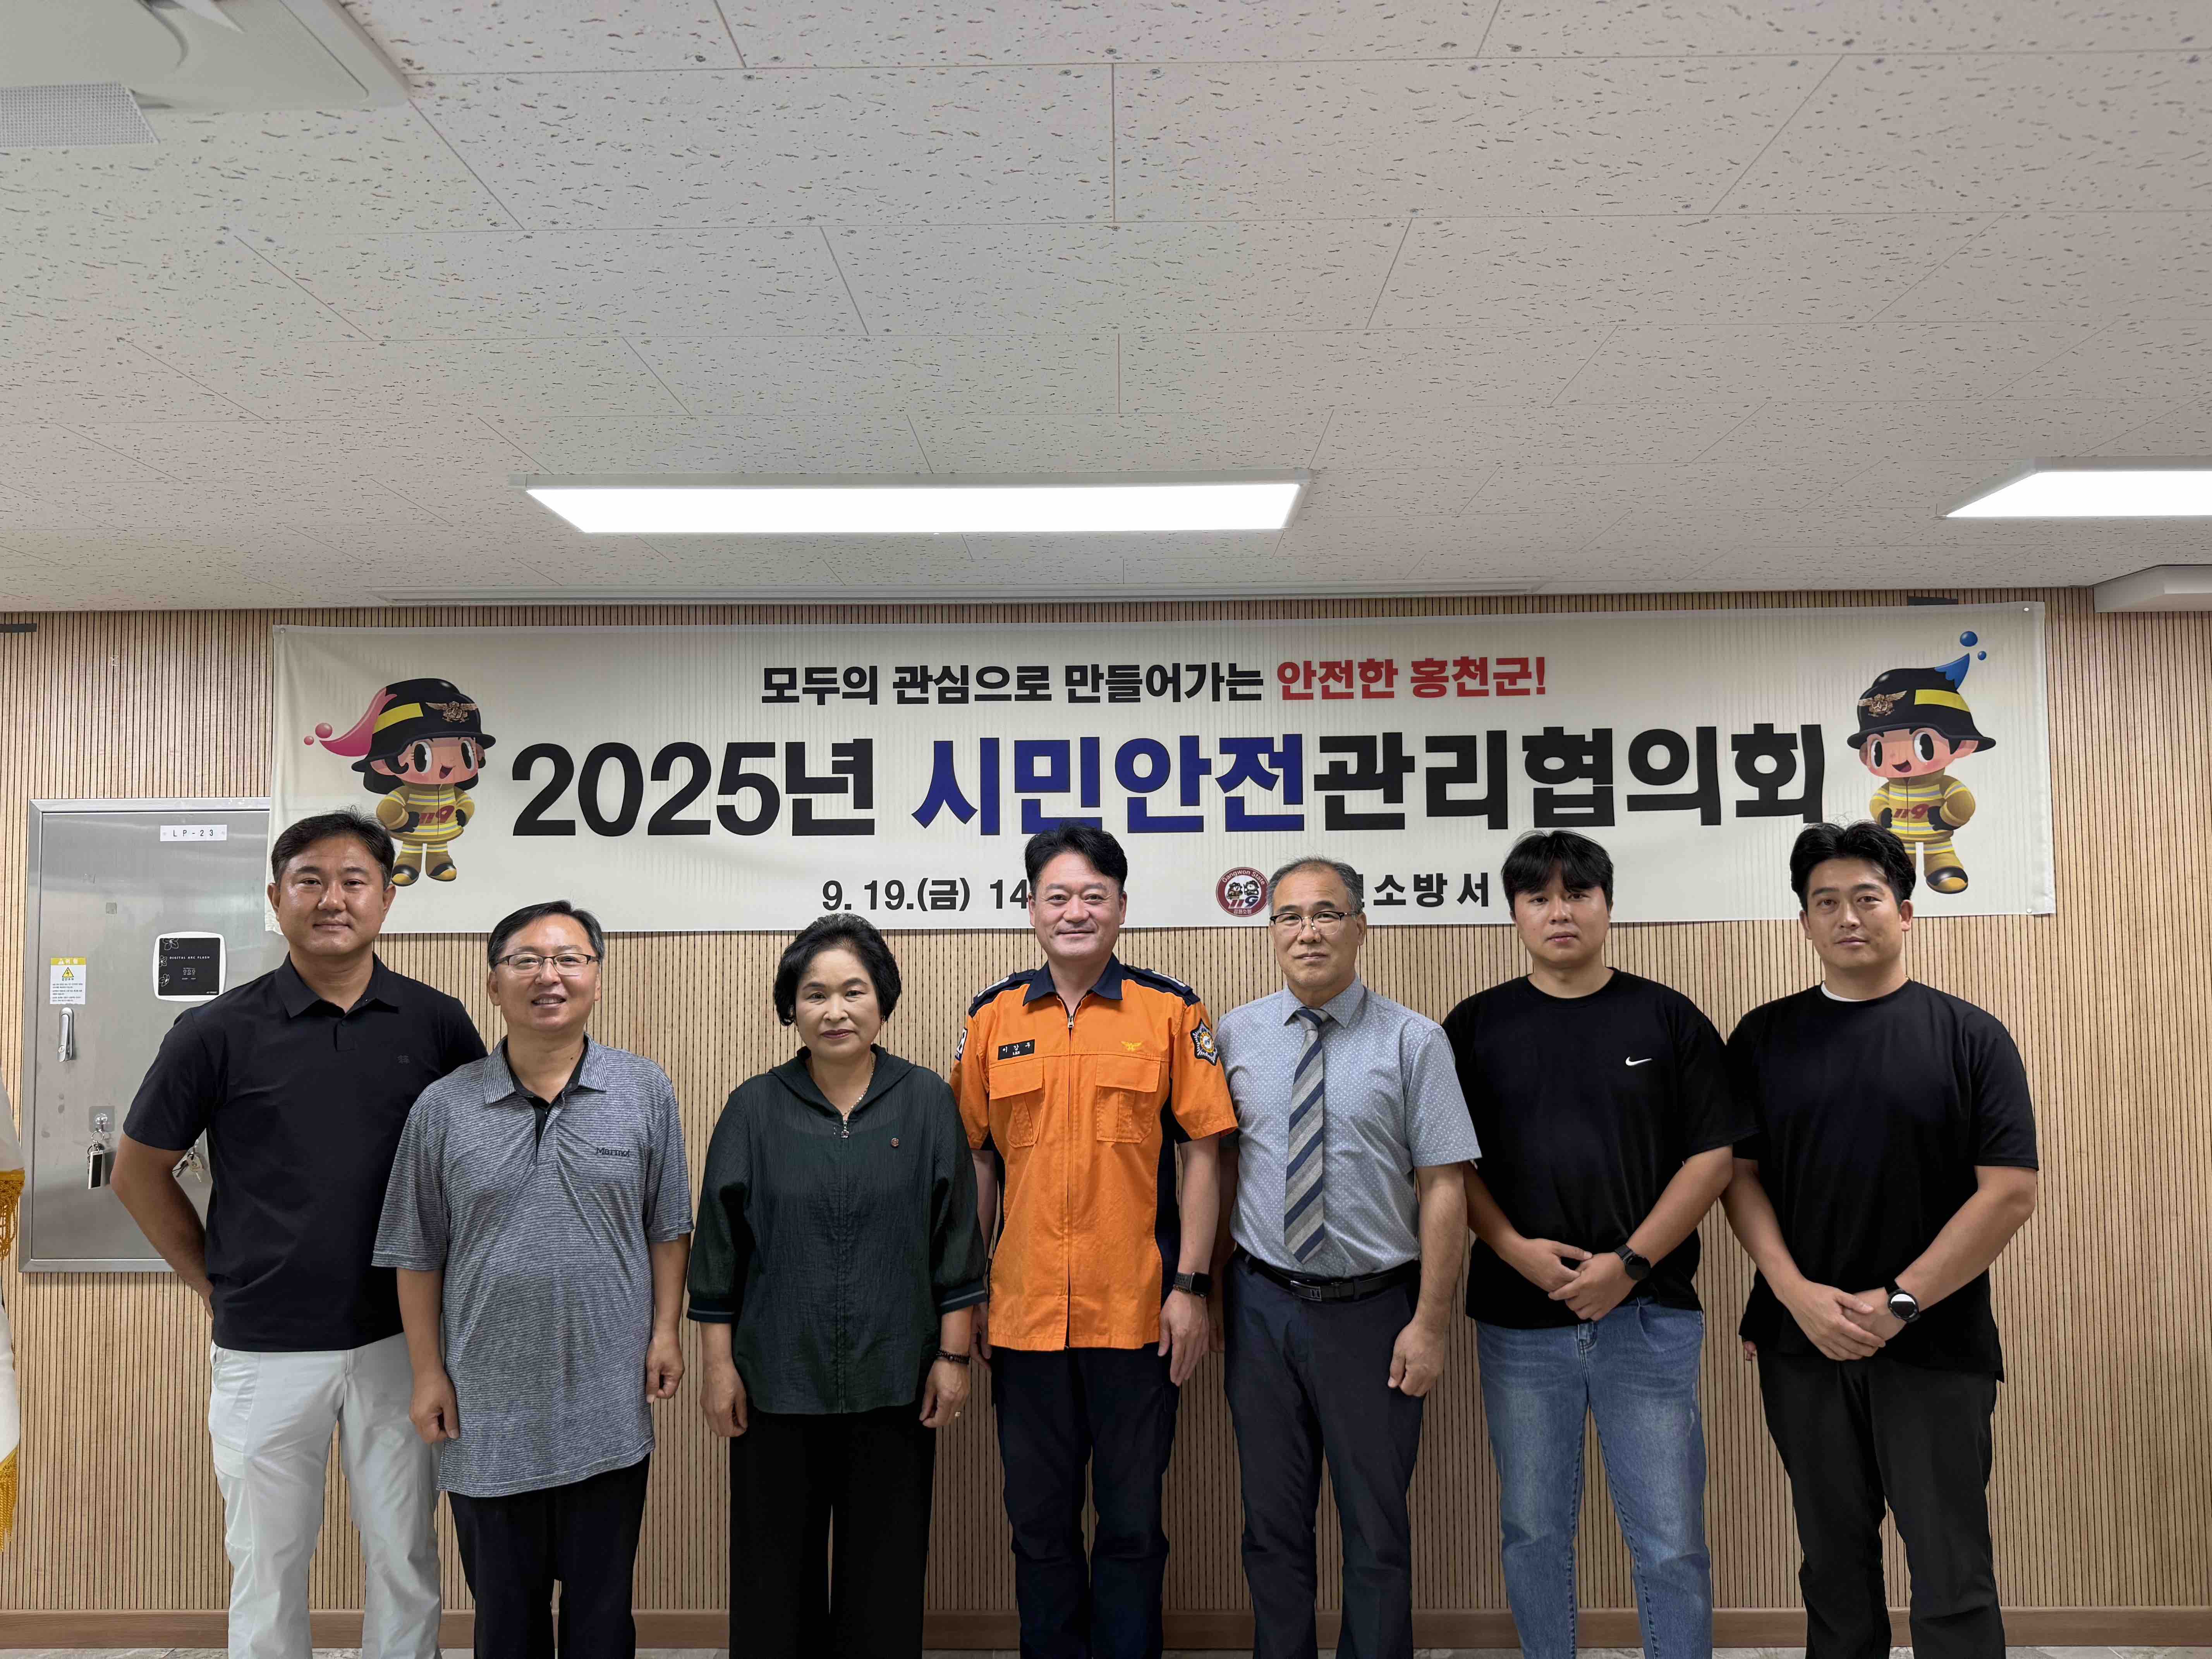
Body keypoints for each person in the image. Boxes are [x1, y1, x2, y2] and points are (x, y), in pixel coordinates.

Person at [112, 810, 486, 1659]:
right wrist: (214, 1284)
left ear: (387, 899)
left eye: (355, 882)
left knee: (405, 1556)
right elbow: (138, 1172)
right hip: (265, 1346)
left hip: (402, 1340)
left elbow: (482, 1158)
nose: (332, 900)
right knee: (268, 1564)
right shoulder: (215, 1031)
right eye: (310, 881)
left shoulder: (435, 1023)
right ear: (275, 898)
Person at [1723, 822, 2039, 1659]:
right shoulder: (1762, 1038)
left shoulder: (1970, 1036)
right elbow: (1739, 1179)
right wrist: (1794, 1296)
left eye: (1867, 898)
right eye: (1825, 903)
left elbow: (2010, 1192)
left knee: (1950, 1563)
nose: (1848, 917)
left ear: (1906, 911)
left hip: (1935, 1340)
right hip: (1803, 1339)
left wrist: (1900, 1301)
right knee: (1832, 1564)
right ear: (1804, 924)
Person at [1441, 830, 1747, 1659]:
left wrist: (1630, 1265)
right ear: (1514, 913)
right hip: (1519, 1319)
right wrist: (1514, 1249)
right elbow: (1447, 1163)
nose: (1560, 912)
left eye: (1578, 894)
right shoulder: (1475, 1025)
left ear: (1608, 905)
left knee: (1671, 1536)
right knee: (1533, 1530)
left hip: (1647, 1316)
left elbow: (1713, 1158)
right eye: (1538, 898)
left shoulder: (1668, 1017)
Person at [373, 901, 692, 1659]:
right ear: (494, 985)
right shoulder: (443, 1107)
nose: (550, 976)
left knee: (601, 1619)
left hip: (608, 1406)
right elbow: (416, 1253)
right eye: (526, 960)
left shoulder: (643, 1090)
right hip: (487, 1411)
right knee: (506, 1622)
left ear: (596, 980)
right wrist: (427, 1374)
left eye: (570, 959)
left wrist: (665, 1332)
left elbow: (668, 1226)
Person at [954, 825, 1236, 1659]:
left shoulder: (1169, 1010)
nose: (1075, 912)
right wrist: (969, 1294)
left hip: (1138, 1316)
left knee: (1133, 1525)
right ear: (1030, 909)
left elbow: (1204, 1153)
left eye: (1093, 896)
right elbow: (978, 1159)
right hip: (1023, 1318)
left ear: (1120, 907)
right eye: (1058, 896)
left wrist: (1191, 1289)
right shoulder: (993, 1015)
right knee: (1037, 1526)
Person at [690, 914, 986, 1659]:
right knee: (772, 1584)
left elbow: (957, 1239)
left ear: (883, 1001)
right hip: (774, 1384)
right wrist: (719, 1367)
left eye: (854, 991)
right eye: (815, 994)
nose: (835, 1010)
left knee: (885, 1584)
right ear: (791, 1007)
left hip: (895, 1378)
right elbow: (719, 1252)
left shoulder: (925, 1100)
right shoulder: (753, 1107)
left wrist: (953, 1359)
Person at [1214, 857, 1475, 1659]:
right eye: (1290, 917)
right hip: (1262, 1307)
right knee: (1272, 1524)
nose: (1309, 932)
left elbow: (1444, 1187)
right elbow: (1220, 1169)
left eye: (1327, 914)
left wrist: (1431, 1324)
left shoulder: (1413, 1041)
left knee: (1376, 1529)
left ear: (1361, 927)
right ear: (1272, 933)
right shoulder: (1235, 1034)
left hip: (1375, 1314)